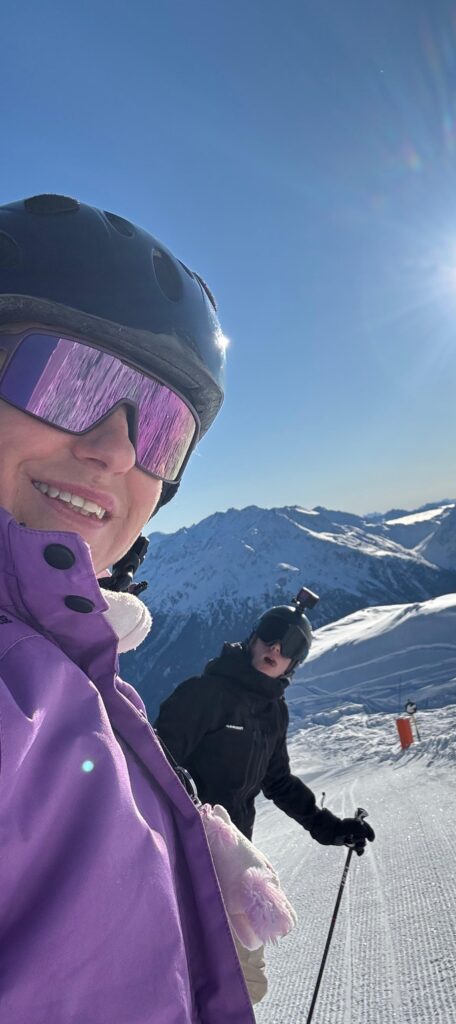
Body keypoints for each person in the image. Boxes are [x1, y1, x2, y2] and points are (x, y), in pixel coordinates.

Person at [0, 194, 256, 1023]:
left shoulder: (75, 661)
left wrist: (177, 889)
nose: (114, 451)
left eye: (162, 432)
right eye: (68, 378)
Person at [155, 592, 376, 851]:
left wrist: (331, 828)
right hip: (181, 843)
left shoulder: (274, 713)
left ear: (293, 664)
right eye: (270, 633)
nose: (276, 648)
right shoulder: (205, 694)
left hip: (232, 849)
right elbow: (155, 762)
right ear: (253, 640)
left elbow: (278, 782)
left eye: (291, 645)